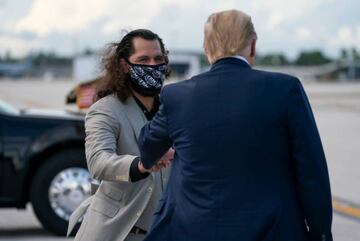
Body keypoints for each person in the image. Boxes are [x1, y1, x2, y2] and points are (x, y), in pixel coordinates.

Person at [138, 9, 333, 241]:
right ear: (253, 46)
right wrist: (321, 233)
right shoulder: (285, 89)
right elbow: (311, 171)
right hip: (273, 231)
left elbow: (148, 148)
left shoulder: (176, 96)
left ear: (207, 50)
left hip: (191, 230)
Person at [67, 29, 173, 241]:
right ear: (125, 66)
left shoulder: (173, 108)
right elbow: (98, 161)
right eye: (144, 59)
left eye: (158, 59)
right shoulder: (105, 110)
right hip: (119, 233)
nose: (153, 65)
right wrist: (142, 164)